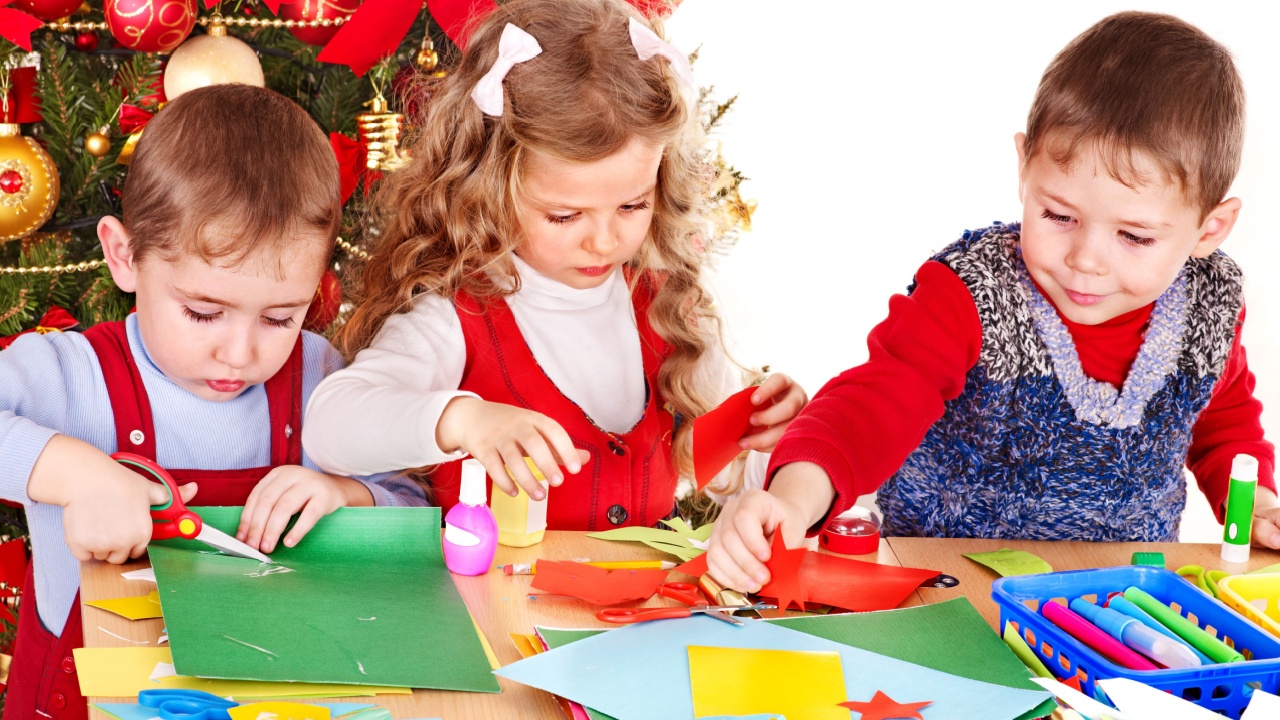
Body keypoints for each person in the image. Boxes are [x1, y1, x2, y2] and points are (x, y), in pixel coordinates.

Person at [707, 11, 1278, 593]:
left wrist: (1253, 506)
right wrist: (791, 501)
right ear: (1025, 166)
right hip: (950, 584)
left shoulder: (1209, 308)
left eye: (1133, 236)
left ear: (1210, 228)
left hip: (1118, 598)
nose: (1086, 257)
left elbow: (1223, 421)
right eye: (1058, 215)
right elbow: (873, 405)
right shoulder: (972, 292)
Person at [0, 84, 426, 720]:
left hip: (274, 689)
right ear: (124, 256)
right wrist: (78, 473)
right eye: (203, 313)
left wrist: (347, 496)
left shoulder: (319, 375)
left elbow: (413, 504)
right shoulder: (68, 373)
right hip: (90, 695)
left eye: (281, 317)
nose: (240, 353)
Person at [303, 0, 806, 530]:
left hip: (648, 612)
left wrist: (770, 439)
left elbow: (727, 479)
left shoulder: (668, 307)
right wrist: (461, 418)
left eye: (633, 205)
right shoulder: (456, 316)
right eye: (565, 216)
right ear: (491, 188)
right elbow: (332, 427)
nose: (606, 241)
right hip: (487, 608)